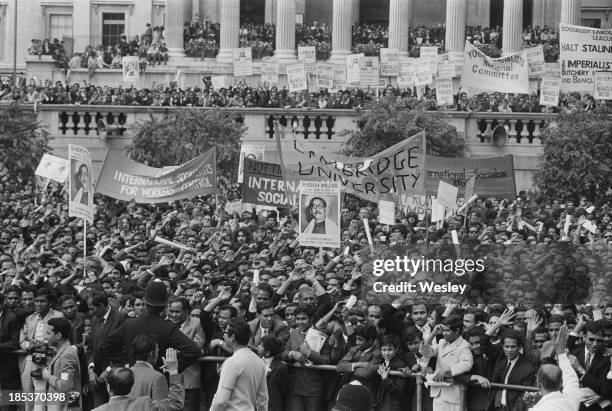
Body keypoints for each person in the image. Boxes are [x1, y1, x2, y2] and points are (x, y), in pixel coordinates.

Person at [100, 279, 201, 373]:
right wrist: (171, 368)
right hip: (158, 379)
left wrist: (126, 363)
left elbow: (106, 345)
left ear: (145, 302)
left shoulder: (130, 324)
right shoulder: (168, 328)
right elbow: (193, 351)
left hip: (132, 380)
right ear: (165, 305)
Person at [91, 348, 185, 411]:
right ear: (131, 387)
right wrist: (173, 371)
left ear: (108, 387)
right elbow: (176, 403)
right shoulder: (145, 404)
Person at [210, 317, 268, 411]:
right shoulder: (259, 362)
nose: (223, 336)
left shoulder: (231, 363)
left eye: (225, 332)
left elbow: (220, 400)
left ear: (232, 337)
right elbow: (263, 399)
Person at [19, 288, 64, 411]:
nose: (38, 304)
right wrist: (29, 345)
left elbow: (62, 339)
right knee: (28, 397)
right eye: (37, 301)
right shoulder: (30, 318)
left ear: (49, 303)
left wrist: (44, 344)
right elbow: (22, 340)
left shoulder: (59, 316)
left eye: (42, 301)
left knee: (47, 398)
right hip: (29, 356)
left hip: (50, 357)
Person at [420, 315, 473, 411]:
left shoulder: (464, 345)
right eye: (443, 330)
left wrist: (447, 369)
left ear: (457, 331)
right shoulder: (442, 342)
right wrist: (433, 334)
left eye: (447, 330)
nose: (444, 333)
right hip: (438, 392)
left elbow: (467, 364)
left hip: (453, 395)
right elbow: (424, 352)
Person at [86, 292, 127, 407]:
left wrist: (109, 369)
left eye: (92, 309)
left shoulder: (120, 317)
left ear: (101, 306)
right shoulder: (95, 320)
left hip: (115, 376)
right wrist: (91, 369)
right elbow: (90, 348)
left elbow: (123, 349)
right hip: (97, 378)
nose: (91, 312)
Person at [531, 323, 580, 411]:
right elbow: (571, 379)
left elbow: (571, 379)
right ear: (561, 382)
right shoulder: (571, 400)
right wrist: (561, 352)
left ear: (538, 383)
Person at [38, 317, 81, 411]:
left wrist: (48, 376)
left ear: (58, 335)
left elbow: (66, 386)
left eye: (48, 333)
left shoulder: (67, 354)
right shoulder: (63, 351)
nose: (45, 336)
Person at [128, 333, 168, 400]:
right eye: (157, 351)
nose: (157, 354)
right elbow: (163, 407)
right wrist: (173, 372)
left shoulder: (124, 374)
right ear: (152, 353)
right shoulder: (158, 378)